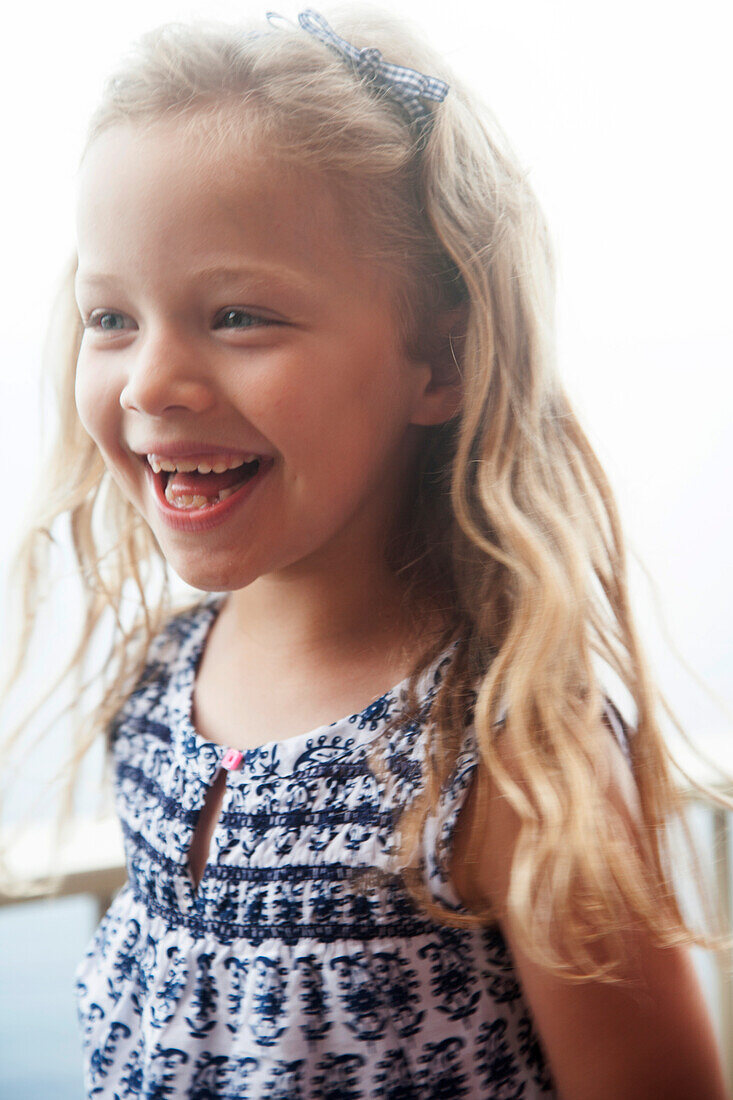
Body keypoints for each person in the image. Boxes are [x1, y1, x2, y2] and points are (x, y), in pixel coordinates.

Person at [1, 5, 730, 1098]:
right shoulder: (153, 683)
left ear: (438, 359)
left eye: (238, 314)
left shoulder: (507, 750)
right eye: (111, 317)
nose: (150, 381)